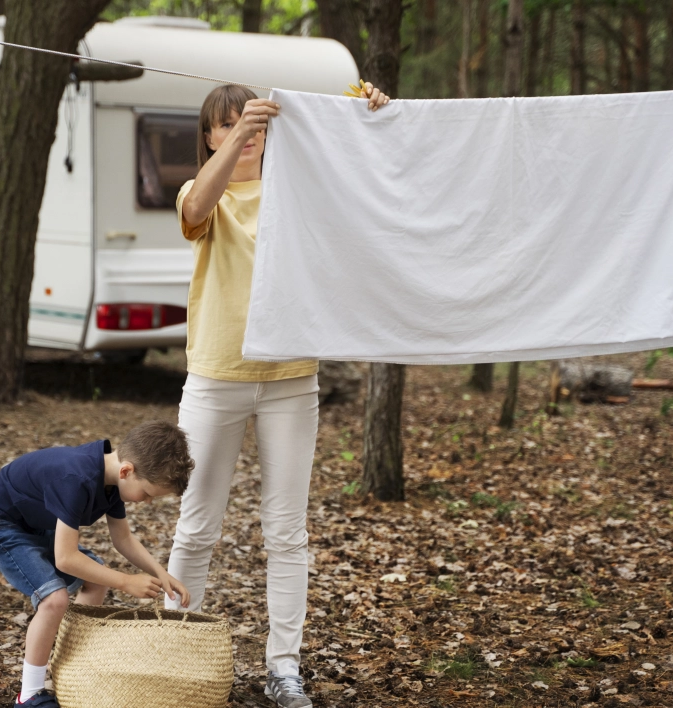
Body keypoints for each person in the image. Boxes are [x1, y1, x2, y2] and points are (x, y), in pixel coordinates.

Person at [166, 83, 389, 708]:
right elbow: (197, 208)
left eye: (252, 122)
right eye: (227, 124)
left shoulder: (298, 193)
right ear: (210, 135)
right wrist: (240, 135)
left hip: (292, 380)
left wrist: (370, 115)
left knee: (287, 533)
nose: (244, 131)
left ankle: (283, 668)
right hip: (215, 379)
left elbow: (364, 180)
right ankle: (172, 653)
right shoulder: (199, 193)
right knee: (197, 527)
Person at [0, 421, 194, 707]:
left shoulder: (112, 480)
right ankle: (28, 695)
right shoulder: (77, 478)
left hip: (32, 525)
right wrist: (126, 581)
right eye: (147, 494)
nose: (147, 501)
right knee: (54, 599)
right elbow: (66, 558)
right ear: (127, 470)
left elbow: (123, 539)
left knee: (95, 579)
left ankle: (72, 668)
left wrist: (161, 574)